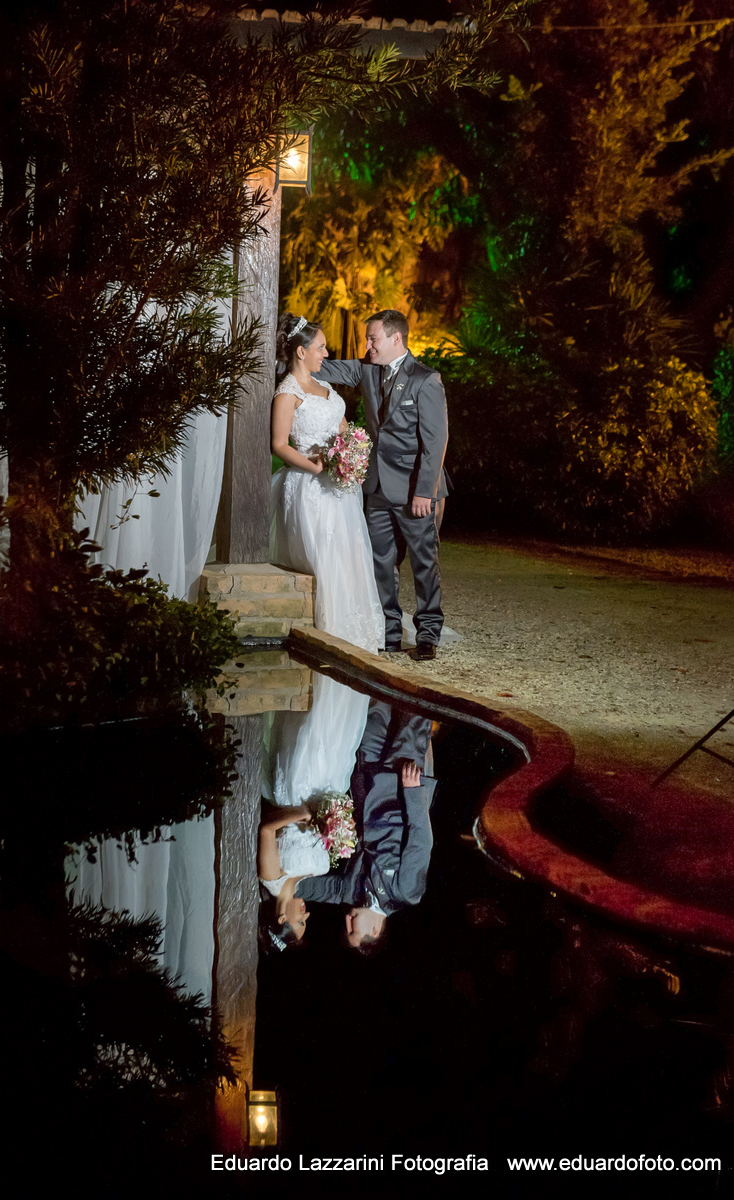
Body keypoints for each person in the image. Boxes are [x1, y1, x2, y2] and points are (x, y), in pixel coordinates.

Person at [315, 309, 448, 660]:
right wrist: (285, 353)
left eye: (372, 338)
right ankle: (389, 632)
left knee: (423, 562)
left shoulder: (425, 379)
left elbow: (436, 442)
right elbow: (317, 368)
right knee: (380, 563)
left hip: (414, 491)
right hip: (376, 488)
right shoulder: (366, 369)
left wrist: (425, 491)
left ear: (395, 339)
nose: (367, 345)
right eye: (367, 339)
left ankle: (428, 635)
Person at [270, 312, 384, 654]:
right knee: (321, 560)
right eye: (320, 348)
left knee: (348, 557)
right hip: (310, 489)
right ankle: (325, 632)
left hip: (341, 490)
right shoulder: (287, 394)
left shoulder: (327, 389)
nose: (326, 354)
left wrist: (353, 454)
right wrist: (315, 467)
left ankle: (353, 631)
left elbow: (344, 429)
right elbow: (278, 444)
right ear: (301, 352)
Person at [294, 702, 436, 953]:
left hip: (368, 780)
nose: (347, 920)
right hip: (401, 786)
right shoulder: (406, 894)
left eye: (346, 928)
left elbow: (305, 889)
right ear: (375, 931)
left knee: (375, 708)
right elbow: (421, 841)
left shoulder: (348, 894)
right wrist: (413, 792)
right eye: (353, 929)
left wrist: (270, 888)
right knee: (414, 712)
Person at [257, 803, 321, 951]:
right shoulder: (299, 883)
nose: (307, 914)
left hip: (293, 801)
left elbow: (267, 830)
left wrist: (300, 814)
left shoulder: (272, 878)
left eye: (301, 921)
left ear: (282, 918)